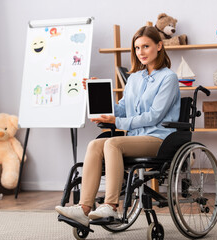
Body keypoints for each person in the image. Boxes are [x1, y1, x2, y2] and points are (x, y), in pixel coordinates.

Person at [55, 25, 181, 227]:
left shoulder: (169, 78)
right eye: (137, 48)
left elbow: (154, 116)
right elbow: (122, 109)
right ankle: (83, 208)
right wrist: (96, 94)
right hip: (135, 137)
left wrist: (118, 122)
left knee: (112, 143)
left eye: (146, 46)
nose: (141, 52)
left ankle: (111, 207)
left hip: (159, 138)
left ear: (159, 46)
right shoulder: (134, 79)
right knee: (95, 145)